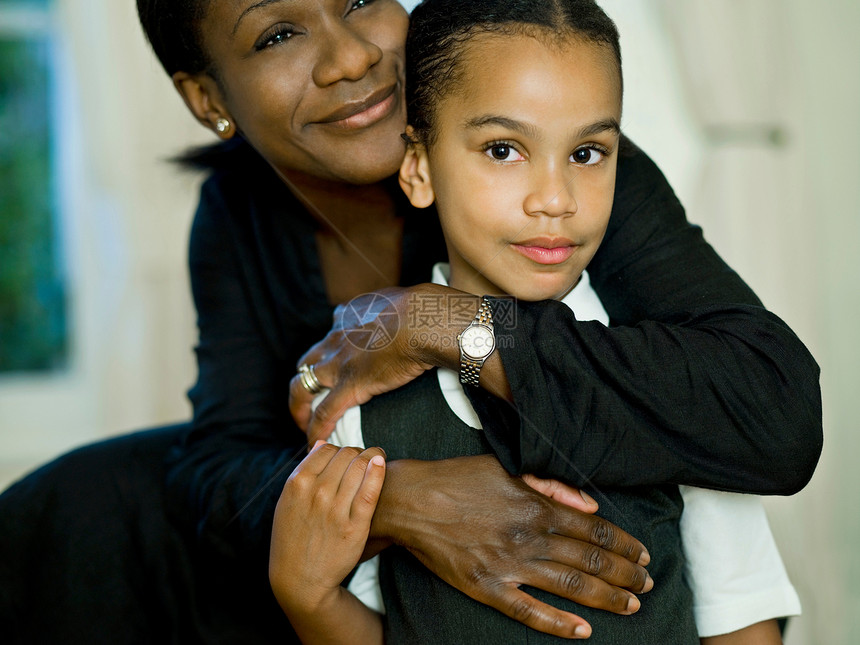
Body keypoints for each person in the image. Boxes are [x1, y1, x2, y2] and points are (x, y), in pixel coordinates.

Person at [0, 0, 821, 641]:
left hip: (620, 572)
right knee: (83, 516)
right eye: (279, 33)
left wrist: (435, 322)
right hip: (350, 587)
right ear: (208, 97)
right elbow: (220, 464)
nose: (352, 54)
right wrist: (396, 499)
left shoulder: (551, 172)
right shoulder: (239, 210)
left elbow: (767, 409)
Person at [270, 1, 798, 642]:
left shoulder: (669, 370)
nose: (555, 199)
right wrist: (306, 596)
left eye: (587, 153)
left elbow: (742, 621)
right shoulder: (360, 401)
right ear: (418, 166)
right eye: (503, 149)